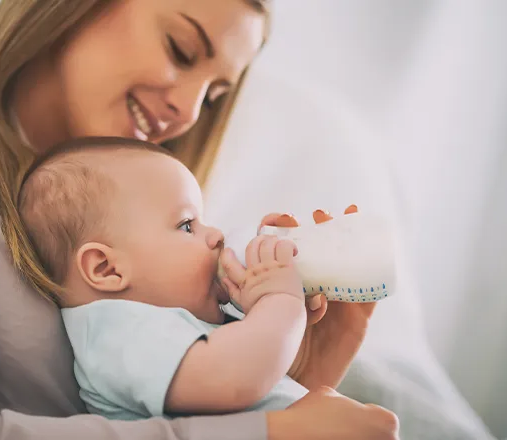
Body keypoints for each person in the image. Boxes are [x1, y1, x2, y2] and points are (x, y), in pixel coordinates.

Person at [0, 0, 399, 439]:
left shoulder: (139, 222)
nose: (187, 111)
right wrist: (271, 431)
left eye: (214, 95)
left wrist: (308, 367)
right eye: (181, 50)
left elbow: (179, 403)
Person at [18, 137, 310, 420]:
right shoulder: (115, 331)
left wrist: (277, 307)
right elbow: (234, 380)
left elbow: (281, 399)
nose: (217, 234)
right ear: (107, 269)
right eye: (186, 226)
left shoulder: (170, 323)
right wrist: (281, 302)